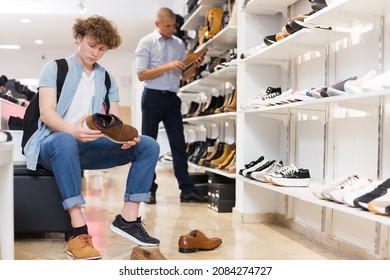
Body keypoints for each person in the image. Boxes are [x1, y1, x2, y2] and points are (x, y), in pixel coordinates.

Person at [23, 15, 160, 260]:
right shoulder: (55, 68)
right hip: (52, 145)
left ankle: (128, 219)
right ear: (78, 38)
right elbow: (47, 113)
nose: (95, 53)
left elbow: (116, 122)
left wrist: (124, 137)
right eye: (91, 45)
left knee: (148, 144)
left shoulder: (106, 78)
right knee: (64, 140)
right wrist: (72, 130)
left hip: (88, 147)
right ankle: (78, 231)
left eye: (102, 49)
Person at [135, 7, 206, 204]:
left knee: (178, 145)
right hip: (152, 97)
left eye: (174, 25)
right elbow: (141, 74)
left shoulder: (179, 43)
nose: (172, 29)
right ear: (157, 24)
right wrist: (169, 65)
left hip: (172, 99)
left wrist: (196, 64)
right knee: (149, 145)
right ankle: (149, 189)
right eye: (167, 26)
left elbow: (184, 76)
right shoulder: (146, 42)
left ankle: (187, 190)